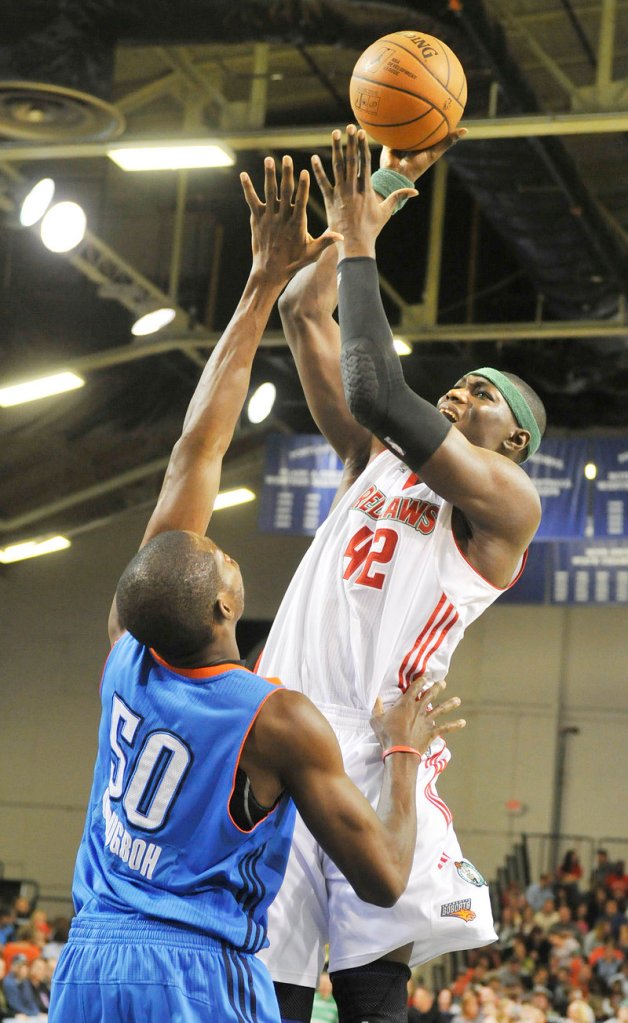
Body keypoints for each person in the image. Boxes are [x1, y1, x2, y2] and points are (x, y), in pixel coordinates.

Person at [47, 155, 466, 1023]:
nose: (222, 553)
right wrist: (403, 750)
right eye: (222, 563)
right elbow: (386, 874)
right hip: (194, 971)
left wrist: (260, 282)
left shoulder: (128, 653)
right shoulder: (274, 716)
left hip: (88, 957)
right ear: (223, 608)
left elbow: (193, 454)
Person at [256, 125, 546, 1023]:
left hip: (379, 744)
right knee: (270, 984)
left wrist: (364, 237)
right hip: (277, 717)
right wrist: (374, 189)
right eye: (457, 385)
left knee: (373, 983)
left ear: (516, 441)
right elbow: (306, 314)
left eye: (482, 395)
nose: (460, 394)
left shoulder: (504, 503)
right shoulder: (374, 457)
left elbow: (382, 386)